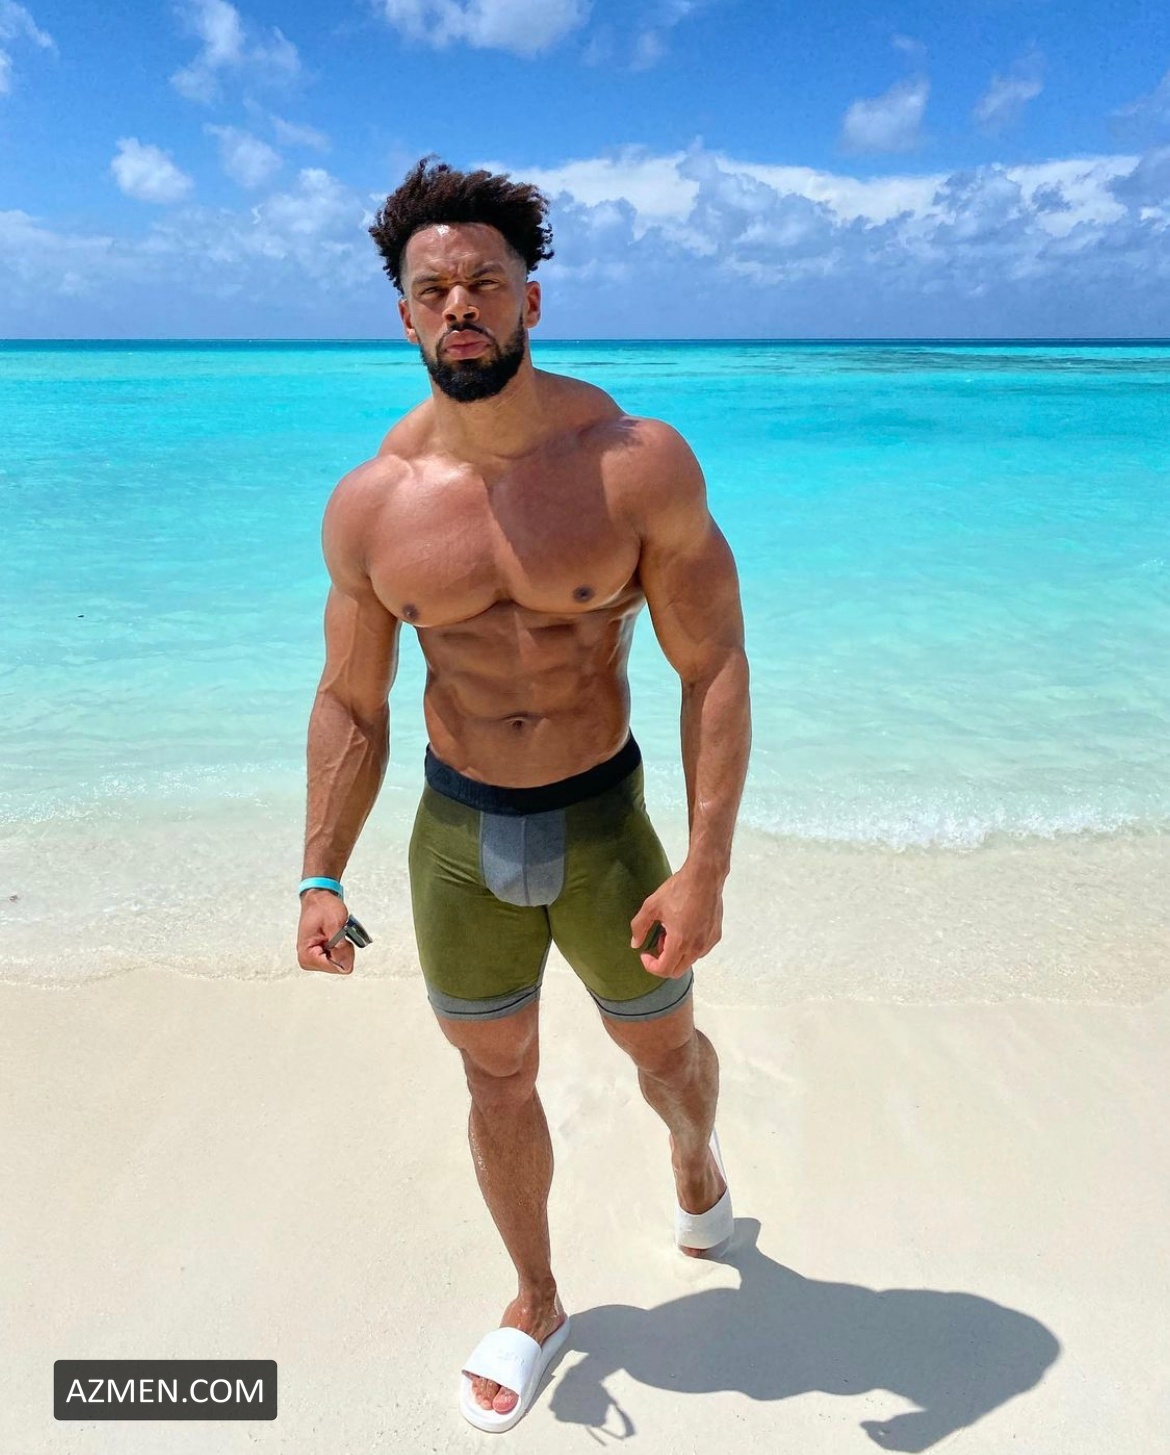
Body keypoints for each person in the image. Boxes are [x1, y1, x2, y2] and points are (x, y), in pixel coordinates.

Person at [297, 157, 751, 1432]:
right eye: (433, 289)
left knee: (664, 1053)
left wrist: (705, 867)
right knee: (495, 1078)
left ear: (531, 301)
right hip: (460, 834)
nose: (460, 305)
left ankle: (694, 1155)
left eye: (484, 283)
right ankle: (538, 1299)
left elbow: (713, 665)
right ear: (403, 317)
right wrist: (320, 871)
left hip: (605, 823)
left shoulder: (635, 465)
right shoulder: (372, 508)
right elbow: (352, 702)